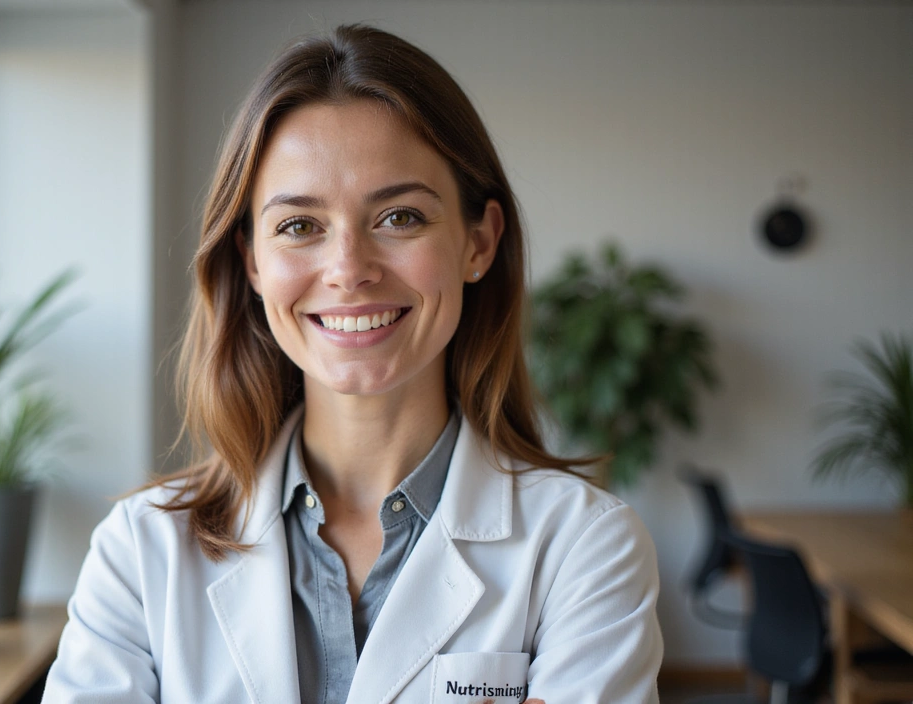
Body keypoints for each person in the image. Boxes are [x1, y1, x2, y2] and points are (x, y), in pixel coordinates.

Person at [43, 24, 662, 704]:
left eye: (399, 217)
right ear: (251, 261)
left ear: (478, 242)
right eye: (299, 226)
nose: (348, 272)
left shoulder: (584, 547)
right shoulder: (141, 552)